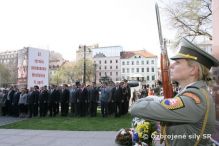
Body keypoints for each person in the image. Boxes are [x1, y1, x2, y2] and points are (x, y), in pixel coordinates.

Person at [130, 38, 219, 146]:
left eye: (177, 62)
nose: (171, 65)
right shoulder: (195, 94)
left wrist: (153, 99)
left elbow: (136, 108)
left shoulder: (194, 98)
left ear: (193, 70)